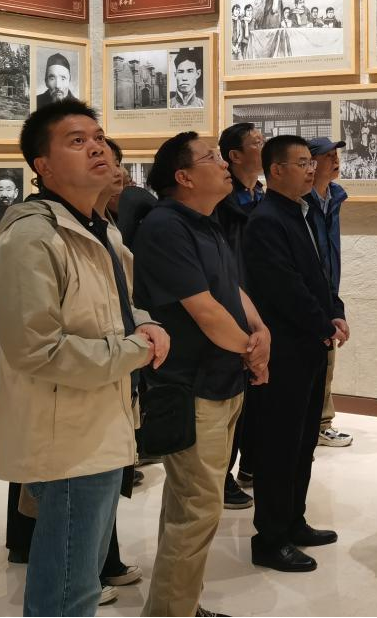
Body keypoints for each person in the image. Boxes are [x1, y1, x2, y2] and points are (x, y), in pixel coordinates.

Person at [0, 99, 170, 617]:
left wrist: (146, 322)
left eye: (98, 137)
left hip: (101, 418)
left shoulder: (98, 228)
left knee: (80, 575)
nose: (96, 147)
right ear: (42, 166)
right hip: (66, 433)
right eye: (76, 140)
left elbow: (116, 305)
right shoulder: (33, 235)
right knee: (69, 588)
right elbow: (36, 348)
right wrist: (137, 349)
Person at [134, 132, 271, 617]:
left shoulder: (207, 222)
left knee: (190, 507)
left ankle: (178, 606)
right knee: (197, 509)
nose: (224, 163)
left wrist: (259, 329)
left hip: (223, 380)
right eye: (212, 157)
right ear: (184, 177)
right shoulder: (165, 226)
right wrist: (252, 351)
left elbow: (229, 289)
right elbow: (205, 311)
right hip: (192, 388)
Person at [242, 135, 346, 573]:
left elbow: (319, 274)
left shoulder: (300, 211)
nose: (311, 169)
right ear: (276, 170)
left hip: (309, 346)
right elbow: (284, 286)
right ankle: (270, 538)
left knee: (303, 443)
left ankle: (293, 521)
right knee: (279, 447)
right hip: (284, 351)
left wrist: (335, 312)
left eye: (311, 162)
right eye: (302, 163)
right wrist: (323, 323)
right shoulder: (266, 220)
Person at [214, 122, 266, 508]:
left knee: (255, 396)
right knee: (231, 398)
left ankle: (250, 462)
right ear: (234, 155)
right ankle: (222, 476)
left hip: (259, 308)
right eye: (257, 143)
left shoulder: (259, 196)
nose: (264, 147)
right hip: (231, 308)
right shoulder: (221, 202)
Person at [304, 137, 353, 448]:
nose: (335, 160)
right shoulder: (300, 202)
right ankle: (316, 423)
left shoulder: (333, 198)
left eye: (336, 155)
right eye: (327, 156)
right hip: (308, 293)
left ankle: (322, 422)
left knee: (327, 359)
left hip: (328, 289)